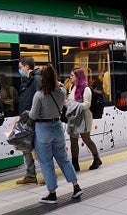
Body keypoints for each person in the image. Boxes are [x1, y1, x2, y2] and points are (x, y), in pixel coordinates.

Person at [28, 63, 82, 203]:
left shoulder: (39, 95)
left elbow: (33, 116)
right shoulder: (62, 91)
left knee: (46, 162)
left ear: (42, 78)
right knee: (63, 158)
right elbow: (59, 87)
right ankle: (76, 187)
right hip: (57, 127)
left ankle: (52, 193)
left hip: (43, 129)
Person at [66, 68, 102, 171]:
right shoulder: (72, 87)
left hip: (85, 117)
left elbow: (87, 104)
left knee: (86, 138)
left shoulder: (86, 89)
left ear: (78, 77)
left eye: (72, 75)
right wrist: (67, 103)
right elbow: (70, 100)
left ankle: (96, 158)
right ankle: (75, 164)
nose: (70, 77)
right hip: (74, 117)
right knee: (73, 140)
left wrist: (72, 105)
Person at [16, 57, 42, 184]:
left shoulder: (36, 79)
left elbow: (40, 99)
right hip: (26, 118)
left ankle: (47, 173)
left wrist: (32, 115)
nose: (19, 70)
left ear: (26, 66)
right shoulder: (27, 80)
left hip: (33, 118)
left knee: (38, 147)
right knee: (25, 146)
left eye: (20, 67)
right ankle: (31, 174)